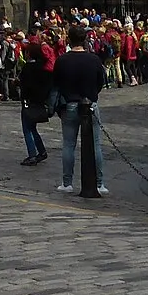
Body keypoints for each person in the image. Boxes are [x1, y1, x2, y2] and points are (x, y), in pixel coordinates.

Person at [53, 27, 107, 197]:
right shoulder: (94, 59)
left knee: (69, 145)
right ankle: (99, 184)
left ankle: (67, 182)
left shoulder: (62, 60)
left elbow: (56, 83)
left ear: (69, 39)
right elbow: (101, 82)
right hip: (90, 104)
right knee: (96, 145)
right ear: (84, 40)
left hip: (69, 104)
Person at [17, 28, 54, 166]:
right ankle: (41, 151)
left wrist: (19, 83)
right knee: (33, 128)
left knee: (27, 128)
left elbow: (26, 85)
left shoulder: (28, 68)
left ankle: (32, 154)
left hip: (28, 101)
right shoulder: (43, 67)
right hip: (40, 101)